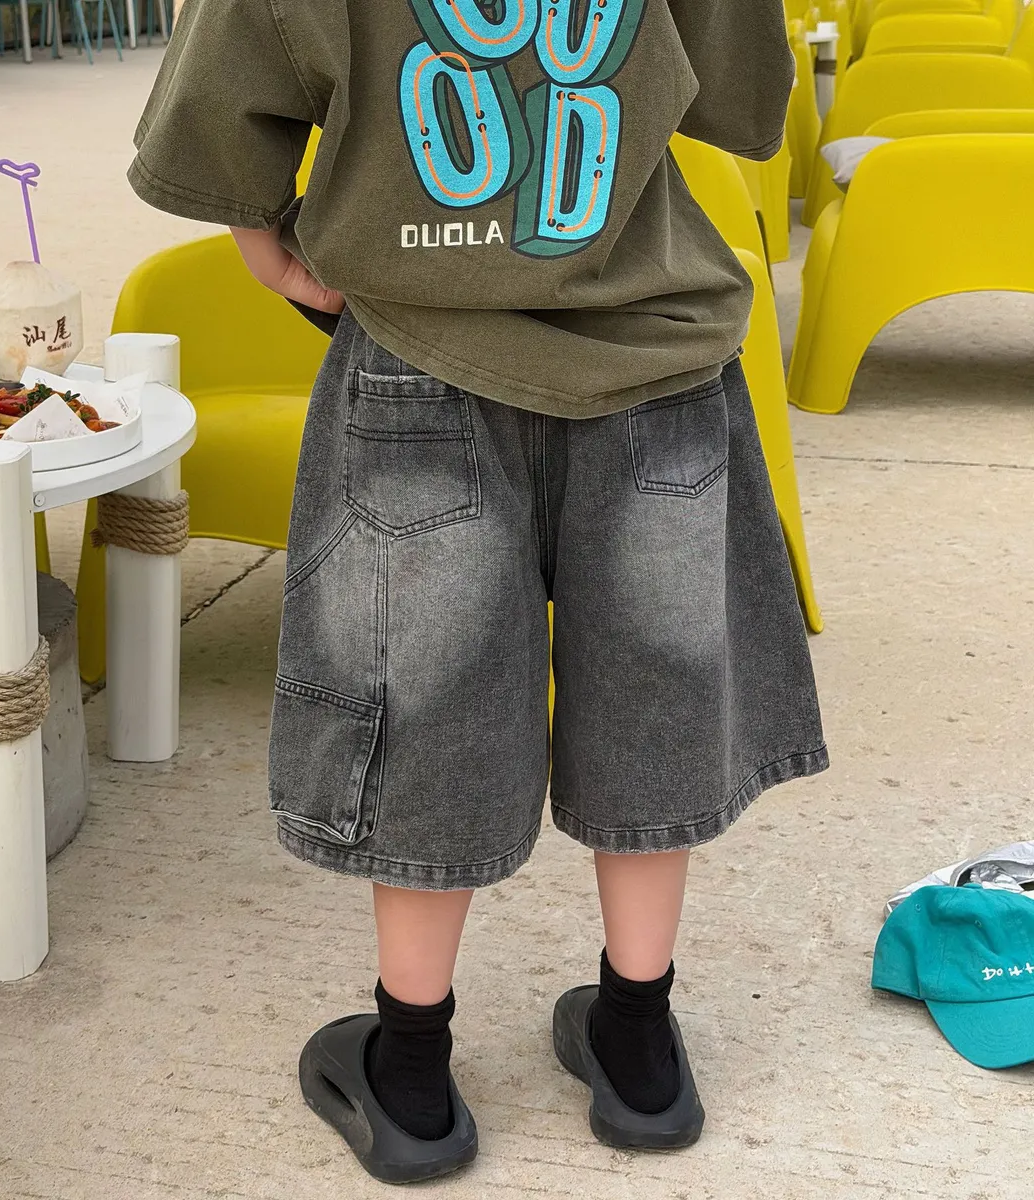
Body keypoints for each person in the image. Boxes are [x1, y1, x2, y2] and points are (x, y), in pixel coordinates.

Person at [129, 0, 827, 1182]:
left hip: (421, 355)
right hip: (653, 353)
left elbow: (215, 122)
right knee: (657, 698)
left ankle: (411, 1073)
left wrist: (276, 251)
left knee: (422, 708)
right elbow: (746, 99)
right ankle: (639, 1045)